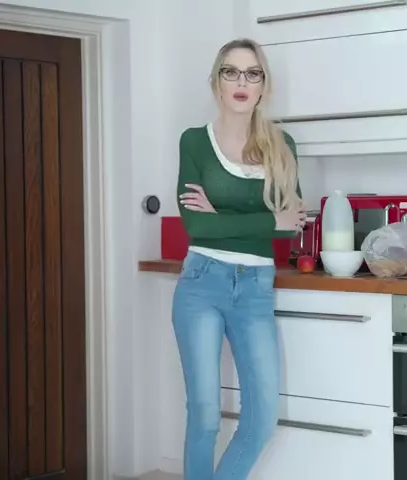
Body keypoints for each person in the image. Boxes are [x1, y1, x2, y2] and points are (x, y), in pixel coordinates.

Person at [171, 38, 306, 479]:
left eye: (253, 73)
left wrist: (224, 216)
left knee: (262, 419)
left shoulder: (282, 145)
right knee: (205, 416)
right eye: (231, 72)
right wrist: (266, 219)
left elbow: (291, 225)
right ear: (216, 82)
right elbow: (197, 227)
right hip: (202, 282)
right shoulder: (194, 141)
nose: (241, 82)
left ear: (264, 84)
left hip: (254, 289)